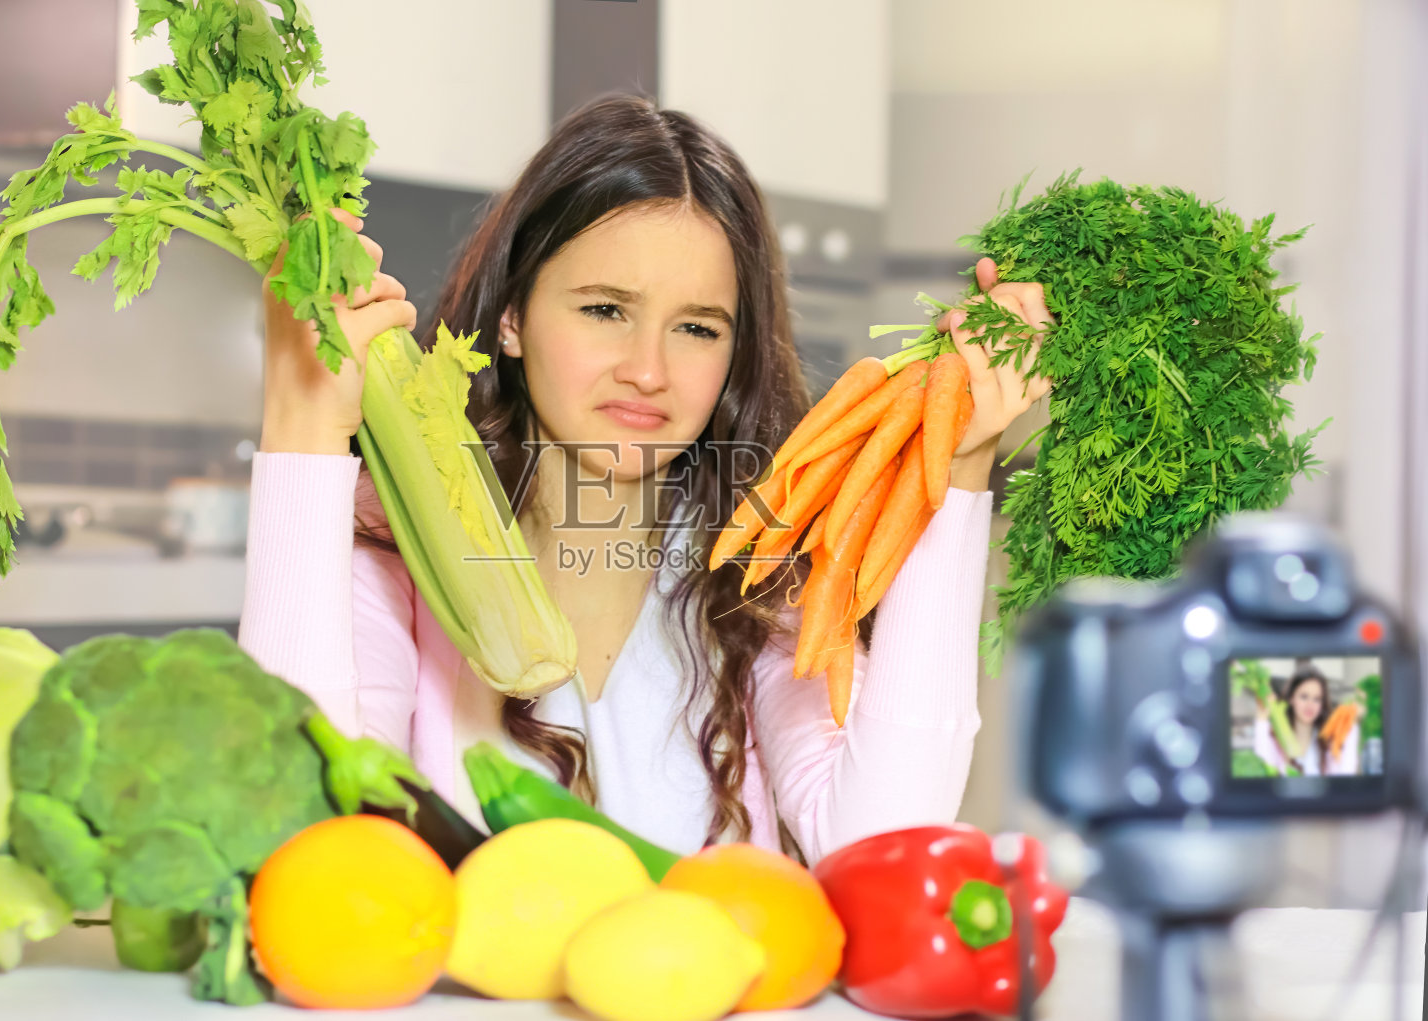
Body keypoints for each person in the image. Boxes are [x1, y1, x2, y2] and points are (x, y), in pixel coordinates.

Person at [237, 94, 1052, 864]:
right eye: (604, 310)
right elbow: (306, 845)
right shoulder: (395, 555)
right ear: (514, 316)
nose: (648, 371)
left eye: (697, 328)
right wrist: (304, 428)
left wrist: (960, 461)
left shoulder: (761, 579)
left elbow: (885, 844)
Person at [1253, 662, 1360, 776]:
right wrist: (1261, 720)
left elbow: (1345, 778)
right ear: (1291, 698)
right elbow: (1263, 770)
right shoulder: (1274, 738)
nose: (1310, 705)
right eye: (1304, 697)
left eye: (1317, 699)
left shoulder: (1329, 743)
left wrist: (1352, 726)